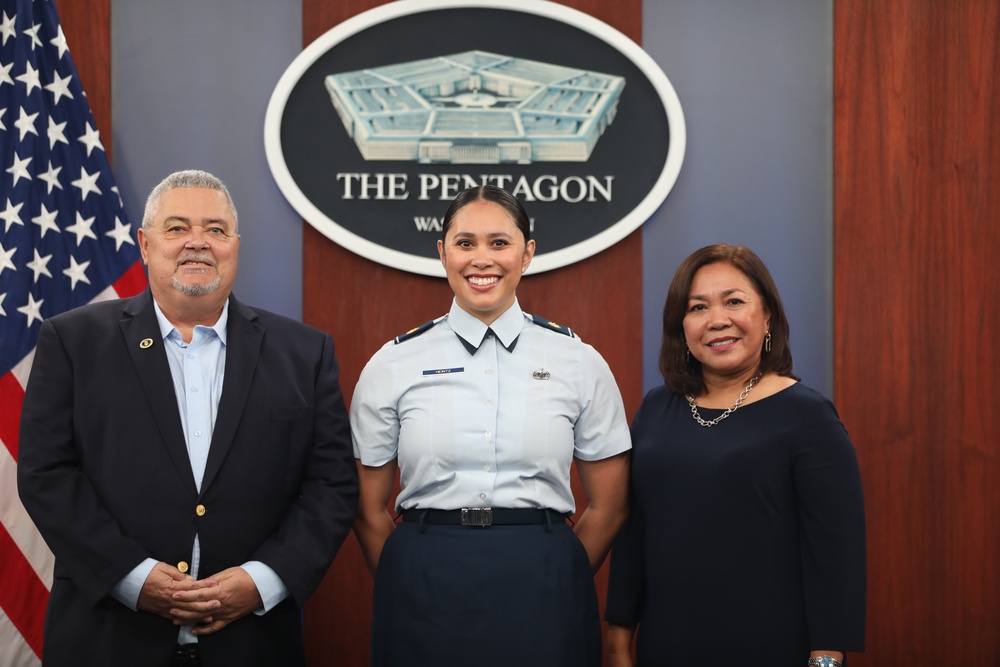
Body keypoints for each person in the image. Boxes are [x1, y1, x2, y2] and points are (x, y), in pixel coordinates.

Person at [17, 169, 359, 666]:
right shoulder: (72, 342)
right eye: (177, 228)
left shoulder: (304, 353)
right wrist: (130, 576)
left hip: (253, 643)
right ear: (144, 243)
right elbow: (46, 474)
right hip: (109, 640)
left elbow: (332, 485)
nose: (198, 243)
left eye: (216, 230)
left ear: (235, 245)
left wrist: (264, 579)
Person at [350, 184, 631, 667]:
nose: (483, 259)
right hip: (424, 577)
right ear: (442, 253)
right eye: (465, 243)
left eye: (500, 243)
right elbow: (367, 509)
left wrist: (557, 569)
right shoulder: (393, 363)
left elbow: (610, 505)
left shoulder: (578, 360)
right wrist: (408, 573)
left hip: (545, 579)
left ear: (527, 253)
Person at [605, 244, 866, 667]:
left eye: (734, 301)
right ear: (682, 327)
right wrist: (618, 640)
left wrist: (827, 659)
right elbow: (634, 533)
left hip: (770, 646)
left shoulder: (807, 416)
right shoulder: (656, 408)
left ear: (767, 317)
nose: (717, 320)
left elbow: (835, 553)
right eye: (698, 307)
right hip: (665, 646)